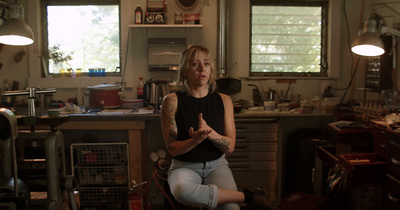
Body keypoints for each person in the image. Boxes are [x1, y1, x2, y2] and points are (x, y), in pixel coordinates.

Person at [160, 45, 273, 210]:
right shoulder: (171, 101)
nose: (201, 68)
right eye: (194, 64)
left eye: (206, 63)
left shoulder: (224, 100)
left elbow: (230, 147)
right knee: (182, 192)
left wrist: (209, 133)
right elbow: (172, 149)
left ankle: (236, 198)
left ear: (211, 68)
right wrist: (194, 140)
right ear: (184, 70)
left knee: (231, 208)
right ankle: (249, 196)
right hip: (184, 167)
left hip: (217, 165)